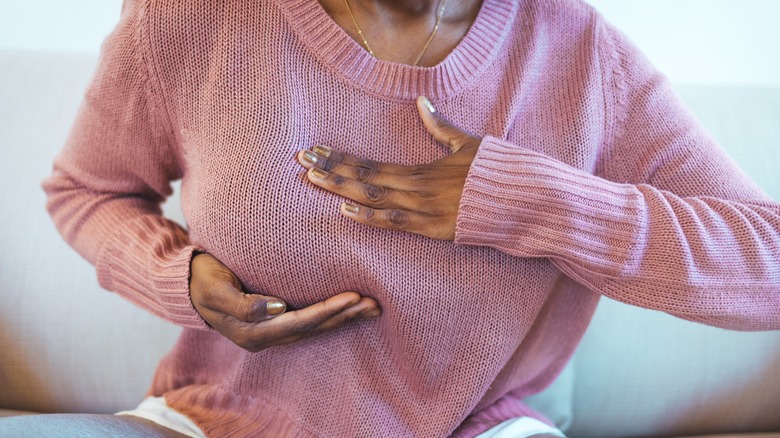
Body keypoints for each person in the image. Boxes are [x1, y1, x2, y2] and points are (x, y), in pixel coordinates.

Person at [3, 0, 779, 436]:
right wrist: (181, 278)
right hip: (214, 421)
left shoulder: (585, 58)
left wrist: (532, 201)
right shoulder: (188, 21)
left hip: (480, 431)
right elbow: (87, 190)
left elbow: (768, 265)